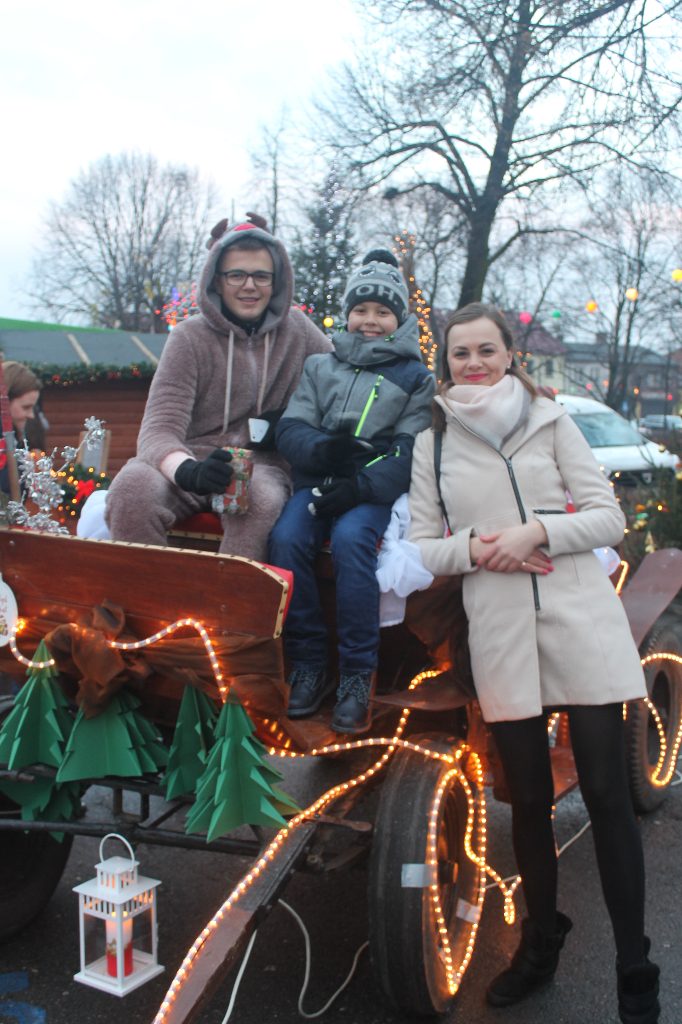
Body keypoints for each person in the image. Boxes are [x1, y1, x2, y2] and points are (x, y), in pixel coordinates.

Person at [407, 302, 659, 1024]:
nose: (474, 363)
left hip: (580, 617)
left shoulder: (552, 421)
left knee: (607, 795)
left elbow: (608, 517)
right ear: (446, 362)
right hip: (500, 624)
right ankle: (539, 944)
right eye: (460, 353)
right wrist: (480, 548)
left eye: (486, 350)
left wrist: (537, 532)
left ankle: (634, 965)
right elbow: (424, 545)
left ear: (509, 354)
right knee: (527, 800)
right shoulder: (432, 441)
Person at [268, 250, 435, 733]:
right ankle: (308, 662)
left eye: (383, 311)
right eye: (361, 309)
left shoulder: (415, 377)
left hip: (369, 488)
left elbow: (409, 449)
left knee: (351, 541)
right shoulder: (321, 365)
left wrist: (360, 483)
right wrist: (324, 450)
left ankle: (357, 674)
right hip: (320, 477)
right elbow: (293, 426)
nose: (370, 320)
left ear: (399, 319)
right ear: (347, 314)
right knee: (286, 539)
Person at [104, 213, 332, 560]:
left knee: (259, 500)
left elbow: (339, 384)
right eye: (236, 274)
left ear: (276, 281)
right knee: (132, 490)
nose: (249, 286)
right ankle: (151, 590)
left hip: (260, 464)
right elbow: (158, 428)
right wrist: (187, 470)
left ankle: (230, 593)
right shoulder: (188, 337)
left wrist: (291, 419)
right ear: (217, 280)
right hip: (191, 457)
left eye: (261, 275)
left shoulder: (298, 330)